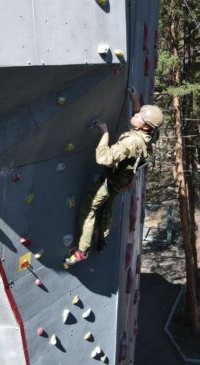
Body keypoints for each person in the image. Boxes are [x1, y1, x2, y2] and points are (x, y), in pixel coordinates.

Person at [63, 87, 163, 268]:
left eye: (140, 116)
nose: (136, 115)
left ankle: (82, 251)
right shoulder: (150, 134)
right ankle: (102, 240)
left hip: (110, 181)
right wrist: (134, 98)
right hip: (122, 181)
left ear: (145, 125)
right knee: (107, 208)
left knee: (89, 210)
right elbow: (140, 116)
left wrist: (105, 133)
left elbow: (104, 158)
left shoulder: (132, 141)